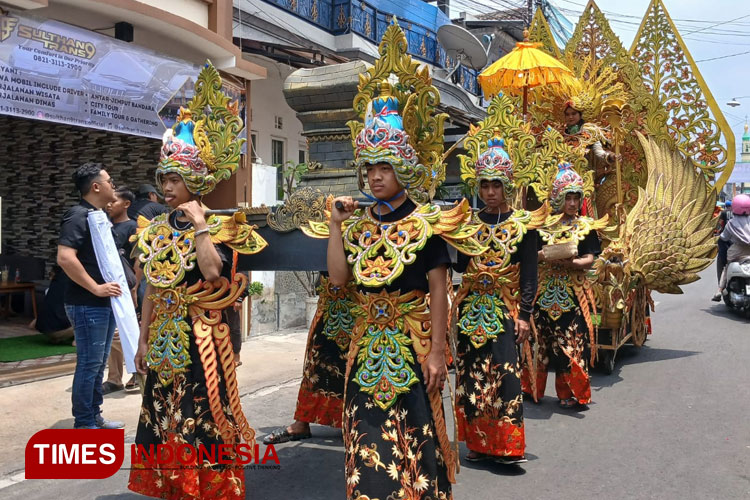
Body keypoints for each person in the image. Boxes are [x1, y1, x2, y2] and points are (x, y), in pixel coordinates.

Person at [304, 76, 482, 500]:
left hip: (412, 342)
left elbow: (439, 290)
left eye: (385, 167)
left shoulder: (427, 224)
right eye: (371, 168)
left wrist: (438, 351)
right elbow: (340, 280)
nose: (377, 176)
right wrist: (335, 227)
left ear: (401, 169)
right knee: (364, 436)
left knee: (415, 432)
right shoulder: (360, 226)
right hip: (365, 347)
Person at [128, 62, 268, 500]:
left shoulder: (223, 228)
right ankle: (172, 483)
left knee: (203, 411)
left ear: (194, 182)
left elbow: (212, 273)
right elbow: (153, 283)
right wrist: (142, 338)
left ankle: (207, 487)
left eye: (176, 179)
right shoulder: (156, 230)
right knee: (163, 412)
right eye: (165, 179)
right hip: (166, 333)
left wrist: (201, 226)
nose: (168, 187)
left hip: (201, 337)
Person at [452, 136, 545, 464]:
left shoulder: (523, 225)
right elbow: (460, 267)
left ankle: (506, 446)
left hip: (504, 310)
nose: (490, 191)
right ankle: (477, 445)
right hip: (470, 311)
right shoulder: (469, 224)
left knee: (503, 376)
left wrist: (525, 314)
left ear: (508, 185)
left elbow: (531, 276)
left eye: (496, 184)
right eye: (485, 185)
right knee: (472, 378)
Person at [522, 162, 606, 409]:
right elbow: (530, 255)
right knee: (538, 345)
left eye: (575, 198)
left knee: (571, 344)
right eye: (567, 197)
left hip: (572, 294)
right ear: (558, 197)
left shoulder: (586, 226)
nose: (571, 203)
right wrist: (542, 255)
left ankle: (570, 393)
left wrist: (575, 262)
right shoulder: (542, 224)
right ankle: (532, 389)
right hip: (542, 293)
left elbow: (591, 257)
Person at [57, 162, 124, 429]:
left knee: (97, 364)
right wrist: (95, 288)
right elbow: (65, 257)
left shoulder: (98, 215)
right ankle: (84, 422)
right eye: (109, 181)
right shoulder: (78, 215)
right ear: (95, 187)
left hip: (103, 302)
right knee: (89, 363)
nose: (113, 186)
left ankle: (94, 415)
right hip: (87, 304)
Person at [262, 274, 354, 444]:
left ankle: (355, 422)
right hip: (330, 303)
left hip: (362, 304)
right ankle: (302, 422)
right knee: (316, 365)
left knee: (356, 367)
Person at [102, 186, 138, 394]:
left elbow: (138, 261)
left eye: (114, 201)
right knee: (113, 333)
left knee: (130, 330)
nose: (109, 205)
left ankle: (137, 372)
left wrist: (134, 289)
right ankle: (114, 378)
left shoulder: (133, 228)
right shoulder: (105, 226)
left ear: (126, 204)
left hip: (128, 287)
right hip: (110, 288)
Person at [717, 194, 750, 294]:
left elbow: (724, 237)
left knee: (727, 266)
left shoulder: (731, 222)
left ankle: (720, 289)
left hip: (737, 251)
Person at [713, 199, 733, 301]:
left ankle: (720, 288)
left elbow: (720, 226)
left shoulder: (724, 213)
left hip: (728, 242)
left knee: (722, 263)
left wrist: (717, 233)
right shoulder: (746, 217)